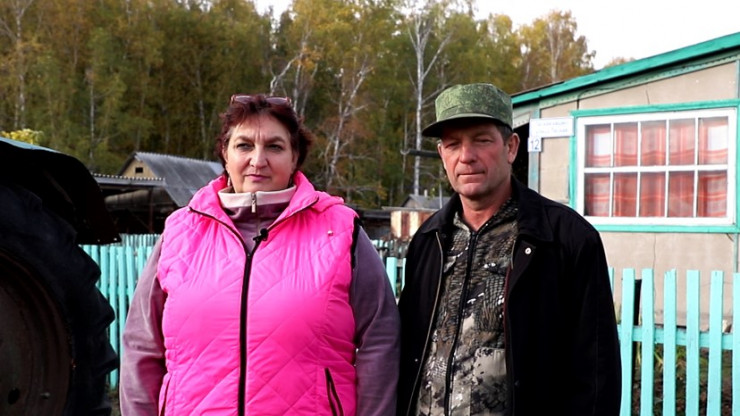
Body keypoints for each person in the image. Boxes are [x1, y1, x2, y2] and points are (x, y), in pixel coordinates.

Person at [120, 93, 400, 415]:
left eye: (274, 147)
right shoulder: (180, 233)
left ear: (295, 157)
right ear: (225, 154)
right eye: (244, 145)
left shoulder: (340, 231)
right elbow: (142, 346)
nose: (258, 160)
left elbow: (380, 339)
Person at [397, 83, 621, 415]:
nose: (466, 156)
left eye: (482, 140)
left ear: (511, 147)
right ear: (442, 154)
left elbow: (596, 372)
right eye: (453, 144)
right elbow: (406, 352)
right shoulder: (428, 241)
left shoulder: (564, 239)